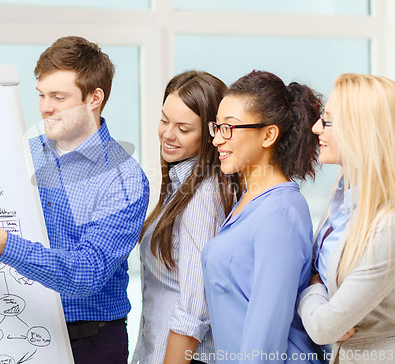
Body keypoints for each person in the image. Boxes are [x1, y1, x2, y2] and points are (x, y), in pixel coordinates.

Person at [0, 36, 150, 364]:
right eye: (42, 95)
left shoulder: (123, 178)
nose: (45, 107)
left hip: (89, 343)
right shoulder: (25, 153)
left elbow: (86, 274)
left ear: (93, 98)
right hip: (21, 329)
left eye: (58, 97)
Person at [202, 70, 323, 363]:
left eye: (229, 128)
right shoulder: (248, 200)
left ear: (268, 134)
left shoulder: (280, 212)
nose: (218, 139)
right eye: (217, 127)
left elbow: (265, 342)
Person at [132, 71, 240, 364]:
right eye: (165, 120)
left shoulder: (203, 196)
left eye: (183, 128)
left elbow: (195, 308)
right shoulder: (181, 184)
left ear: (210, 134)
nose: (168, 134)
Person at [298, 73, 395, 363]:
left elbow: (323, 327)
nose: (316, 128)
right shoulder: (343, 196)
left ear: (360, 131)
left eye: (327, 121)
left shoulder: (387, 226)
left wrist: (312, 288)